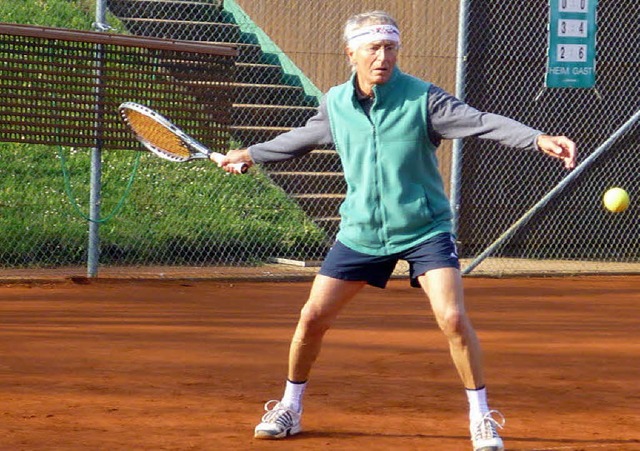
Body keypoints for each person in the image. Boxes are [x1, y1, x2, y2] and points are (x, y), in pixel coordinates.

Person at [216, 10, 576, 451]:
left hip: (424, 228)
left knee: (453, 318)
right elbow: (302, 138)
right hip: (360, 233)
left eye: (390, 48)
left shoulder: (424, 100)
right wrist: (248, 153)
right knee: (311, 318)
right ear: (351, 53)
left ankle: (481, 418)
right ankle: (289, 407)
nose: (383, 57)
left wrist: (538, 138)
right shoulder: (335, 103)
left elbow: (482, 121)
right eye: (373, 48)